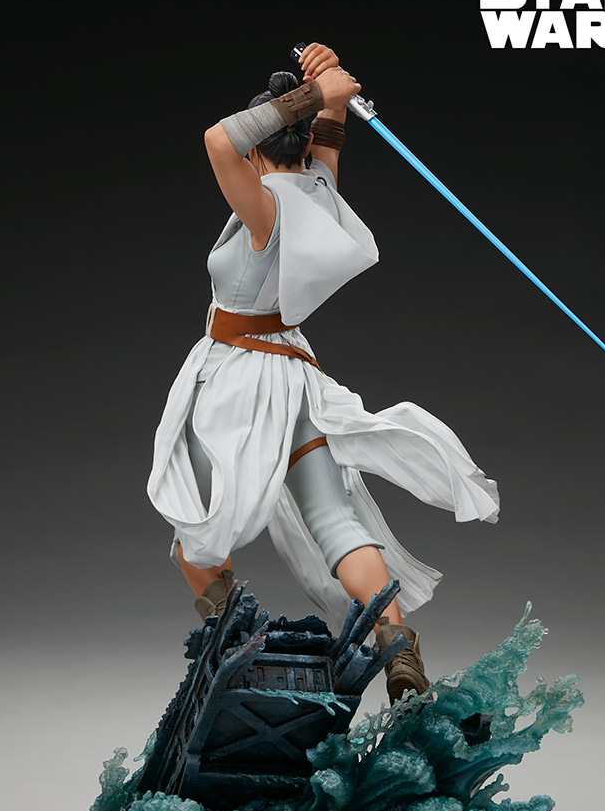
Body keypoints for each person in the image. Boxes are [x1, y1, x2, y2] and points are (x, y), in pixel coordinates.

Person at [147, 42, 500, 703]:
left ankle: (229, 639)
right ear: (305, 145)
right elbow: (328, 141)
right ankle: (399, 649)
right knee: (334, 520)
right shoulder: (317, 191)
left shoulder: (266, 208)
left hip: (235, 384)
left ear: (260, 150)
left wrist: (315, 94)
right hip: (296, 379)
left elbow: (217, 140)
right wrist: (330, 95)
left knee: (193, 528)